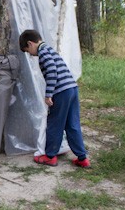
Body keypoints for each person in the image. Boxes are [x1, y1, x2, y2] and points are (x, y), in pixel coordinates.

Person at [19, 29, 90, 168]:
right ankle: (82, 158)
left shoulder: (43, 53)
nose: (30, 54)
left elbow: (52, 70)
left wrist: (49, 94)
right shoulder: (49, 50)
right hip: (72, 88)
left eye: (28, 51)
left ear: (30, 43)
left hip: (61, 92)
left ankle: (50, 156)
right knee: (72, 124)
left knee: (54, 124)